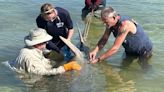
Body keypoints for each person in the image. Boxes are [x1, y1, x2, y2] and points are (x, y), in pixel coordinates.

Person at [89, 7, 153, 71]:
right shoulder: (110, 24)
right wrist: (95, 50)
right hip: (129, 50)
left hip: (143, 50)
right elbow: (104, 39)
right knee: (124, 69)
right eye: (104, 22)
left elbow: (115, 48)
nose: (105, 24)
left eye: (106, 22)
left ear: (114, 17)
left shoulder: (124, 25)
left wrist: (98, 59)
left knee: (145, 69)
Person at [6, 28, 81, 75]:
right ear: (37, 44)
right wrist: (65, 68)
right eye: (45, 42)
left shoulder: (29, 48)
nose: (47, 43)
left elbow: (39, 54)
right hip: (28, 77)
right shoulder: (30, 58)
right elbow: (41, 73)